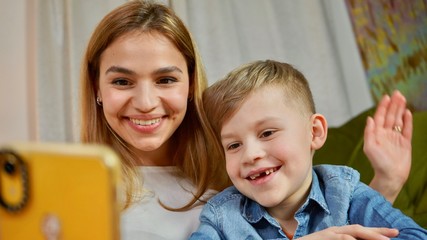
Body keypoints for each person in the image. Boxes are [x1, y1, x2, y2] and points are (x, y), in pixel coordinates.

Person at [79, 1, 412, 239]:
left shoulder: (238, 173)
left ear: (192, 84)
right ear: (97, 88)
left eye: (166, 80)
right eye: (122, 81)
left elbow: (331, 220)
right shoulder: (75, 189)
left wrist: (386, 184)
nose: (146, 103)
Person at [190, 59, 426, 239]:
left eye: (267, 133)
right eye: (233, 145)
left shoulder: (346, 192)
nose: (250, 155)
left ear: (315, 132)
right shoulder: (221, 216)